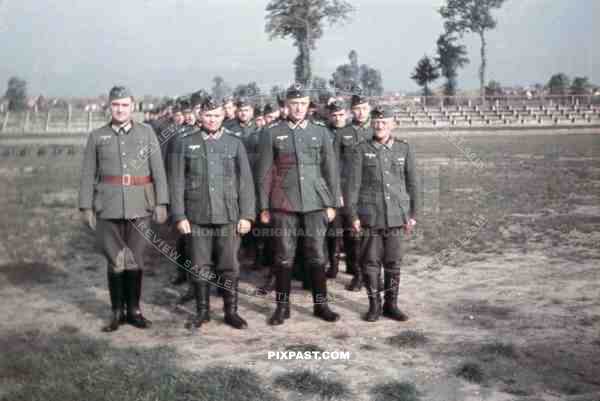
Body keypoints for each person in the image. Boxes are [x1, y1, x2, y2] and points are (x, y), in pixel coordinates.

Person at [79, 86, 169, 332]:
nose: (120, 109)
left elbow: (158, 171)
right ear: (110, 106)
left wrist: (162, 202)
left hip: (140, 205)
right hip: (108, 206)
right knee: (115, 260)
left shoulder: (147, 133)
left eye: (125, 105)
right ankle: (116, 311)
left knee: (135, 259)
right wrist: (86, 206)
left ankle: (135, 310)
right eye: (116, 105)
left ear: (133, 107)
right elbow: (88, 174)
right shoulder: (97, 136)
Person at [255, 85, 341, 326]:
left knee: (317, 255)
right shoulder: (272, 133)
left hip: (315, 202)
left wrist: (332, 202)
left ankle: (321, 305)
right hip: (283, 203)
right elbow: (264, 173)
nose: (298, 108)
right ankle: (282, 307)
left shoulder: (321, 132)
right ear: (286, 105)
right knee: (284, 256)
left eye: (303, 103)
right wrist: (263, 206)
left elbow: (330, 170)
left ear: (308, 105)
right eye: (294, 103)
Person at [168, 96, 255, 330]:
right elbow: (176, 182)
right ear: (199, 116)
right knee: (199, 265)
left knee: (229, 265)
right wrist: (179, 216)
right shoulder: (185, 142)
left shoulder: (234, 143)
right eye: (207, 115)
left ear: (224, 116)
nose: (212, 120)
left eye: (216, 115)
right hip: (197, 216)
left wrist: (247, 215)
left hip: (228, 215)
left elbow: (246, 181)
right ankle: (202, 312)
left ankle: (231, 312)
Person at [346, 105, 418, 322]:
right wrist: (353, 216)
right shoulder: (360, 149)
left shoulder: (404, 149)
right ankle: (374, 306)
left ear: (392, 124)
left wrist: (413, 214)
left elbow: (413, 184)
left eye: (384, 122)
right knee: (370, 263)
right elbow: (352, 187)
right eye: (376, 122)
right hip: (370, 215)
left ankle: (391, 305)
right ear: (372, 124)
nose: (379, 126)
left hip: (397, 215)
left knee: (394, 263)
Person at [333, 92, 373, 292]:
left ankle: (372, 274)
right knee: (354, 234)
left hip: (373, 191)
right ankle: (358, 275)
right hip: (350, 191)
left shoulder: (377, 129)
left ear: (370, 108)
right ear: (351, 111)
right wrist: (337, 191)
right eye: (357, 109)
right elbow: (334, 165)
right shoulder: (343, 134)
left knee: (373, 233)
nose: (360, 112)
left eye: (364, 108)